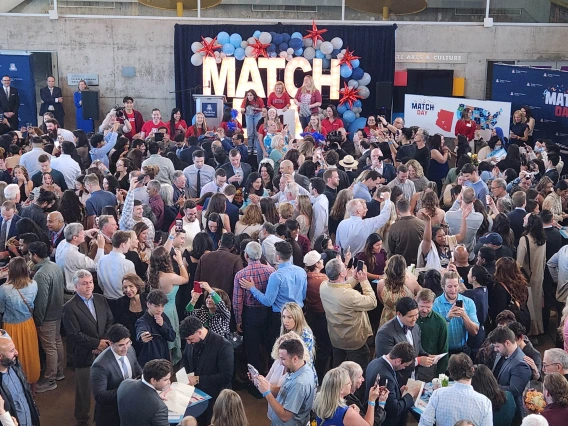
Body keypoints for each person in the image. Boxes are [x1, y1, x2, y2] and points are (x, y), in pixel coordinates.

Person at [62, 269, 114, 426]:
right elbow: (74, 334)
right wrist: (96, 344)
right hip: (84, 354)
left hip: (104, 349)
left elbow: (110, 320)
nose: (89, 286)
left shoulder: (100, 299)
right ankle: (82, 419)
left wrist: (104, 341)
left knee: (107, 385)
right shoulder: (69, 307)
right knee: (84, 391)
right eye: (84, 283)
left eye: (90, 282)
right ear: (75, 286)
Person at [320, 258, 377, 371]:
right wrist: (364, 281)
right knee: (359, 371)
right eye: (344, 267)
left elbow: (340, 288)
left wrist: (354, 279)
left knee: (338, 370)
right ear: (342, 273)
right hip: (354, 341)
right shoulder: (350, 295)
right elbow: (372, 302)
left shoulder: (323, 286)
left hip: (336, 338)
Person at [179, 316, 234, 426]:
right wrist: (183, 374)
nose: (188, 343)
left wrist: (199, 379)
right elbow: (185, 358)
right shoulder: (191, 340)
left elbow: (226, 376)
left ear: (199, 332)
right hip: (195, 395)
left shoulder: (223, 345)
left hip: (215, 398)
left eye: (190, 339)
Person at [253, 338, 316, 426]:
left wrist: (267, 393)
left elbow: (285, 416)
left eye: (283, 359)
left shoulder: (299, 383)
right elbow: (285, 391)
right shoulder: (300, 368)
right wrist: (267, 386)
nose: (281, 363)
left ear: (295, 359)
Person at [29, 241, 65, 393]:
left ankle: (50, 379)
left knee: (49, 347)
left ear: (35, 256)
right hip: (57, 312)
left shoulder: (41, 274)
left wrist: (39, 319)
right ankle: (59, 372)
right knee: (57, 342)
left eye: (30, 254)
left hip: (47, 316)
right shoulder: (54, 266)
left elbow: (41, 301)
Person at [233, 241, 275, 372]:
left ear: (246, 255)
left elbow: (237, 301)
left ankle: (255, 380)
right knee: (269, 345)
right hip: (268, 312)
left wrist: (238, 320)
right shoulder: (271, 271)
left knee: (252, 348)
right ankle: (269, 374)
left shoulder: (241, 275)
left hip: (250, 314)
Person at [418, 353, 492, 426]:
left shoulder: (438, 395)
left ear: (450, 372)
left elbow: (424, 423)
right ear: (472, 370)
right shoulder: (484, 402)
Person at [90, 324, 142, 426]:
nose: (125, 348)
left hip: (130, 410)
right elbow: (100, 395)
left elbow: (137, 369)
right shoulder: (100, 365)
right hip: (111, 415)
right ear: (110, 343)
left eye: (128, 343)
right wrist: (128, 390)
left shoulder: (130, 350)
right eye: (121, 345)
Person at [375, 297, 435, 385]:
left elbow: (417, 349)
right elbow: (389, 363)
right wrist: (418, 361)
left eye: (416, 314)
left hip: (412, 378)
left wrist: (428, 356)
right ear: (399, 314)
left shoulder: (415, 327)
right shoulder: (385, 333)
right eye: (410, 316)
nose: (415, 319)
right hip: (395, 382)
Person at [0, 257, 40, 387]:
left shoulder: (4, 289)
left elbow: (1, 309)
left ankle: (18, 385)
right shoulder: (33, 284)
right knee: (31, 354)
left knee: (14, 355)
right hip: (28, 324)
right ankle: (33, 386)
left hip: (11, 327)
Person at [365, 342, 419, 426]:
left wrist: (398, 391)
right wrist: (410, 395)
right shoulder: (385, 377)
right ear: (398, 361)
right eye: (405, 365)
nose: (404, 368)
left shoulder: (374, 362)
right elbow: (394, 409)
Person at [487, 326, 532, 423]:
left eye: (497, 346)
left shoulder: (520, 364)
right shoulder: (502, 353)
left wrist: (491, 387)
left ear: (507, 343)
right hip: (499, 404)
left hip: (512, 412)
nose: (495, 349)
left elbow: (514, 390)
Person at [314, 367, 383, 426]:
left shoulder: (318, 401)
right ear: (341, 389)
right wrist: (372, 400)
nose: (351, 384)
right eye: (349, 383)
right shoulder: (346, 412)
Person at [432, 270, 479, 355]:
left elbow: (474, 331)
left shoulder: (468, 302)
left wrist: (464, 315)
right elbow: (434, 333)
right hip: (444, 351)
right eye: (449, 286)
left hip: (463, 349)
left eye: (455, 286)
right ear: (443, 286)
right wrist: (447, 318)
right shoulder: (436, 304)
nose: (453, 290)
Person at [0, 331, 40, 426]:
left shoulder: (15, 366)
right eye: (12, 351)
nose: (17, 353)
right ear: (0, 356)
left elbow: (27, 394)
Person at [116, 359, 171, 426]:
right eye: (166, 380)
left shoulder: (125, 384)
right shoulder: (159, 407)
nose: (169, 382)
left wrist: (155, 396)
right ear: (153, 380)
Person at [517, 213, 546, 336]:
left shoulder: (525, 239)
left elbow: (518, 263)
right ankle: (539, 328)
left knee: (529, 306)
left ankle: (532, 332)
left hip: (527, 278)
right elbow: (544, 260)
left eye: (526, 218)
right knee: (537, 304)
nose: (523, 218)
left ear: (529, 223)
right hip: (539, 276)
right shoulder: (543, 239)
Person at [195, 232, 243, 298]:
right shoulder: (236, 259)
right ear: (233, 247)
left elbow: (197, 282)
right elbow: (238, 284)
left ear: (219, 242)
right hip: (225, 300)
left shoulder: (204, 257)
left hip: (205, 300)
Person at [415, 289, 449, 381]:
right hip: (409, 364)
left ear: (433, 304)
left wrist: (440, 376)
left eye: (428, 307)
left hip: (429, 367)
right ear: (416, 301)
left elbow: (444, 349)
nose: (425, 310)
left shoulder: (440, 322)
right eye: (422, 306)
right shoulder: (410, 318)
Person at [376, 255, 420, 326]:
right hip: (405, 318)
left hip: (387, 317)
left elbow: (381, 299)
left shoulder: (381, 284)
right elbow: (421, 296)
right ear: (404, 268)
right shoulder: (412, 283)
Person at [387, 198, 425, 266]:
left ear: (397, 210)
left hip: (401, 265)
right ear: (410, 208)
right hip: (420, 263)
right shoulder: (422, 224)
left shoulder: (393, 227)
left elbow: (391, 248)